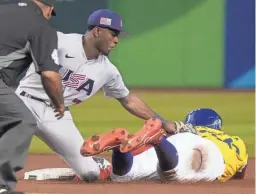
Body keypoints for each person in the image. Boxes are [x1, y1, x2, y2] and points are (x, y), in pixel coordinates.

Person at [15, 9, 190, 183]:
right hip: (24, 102)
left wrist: (164, 123)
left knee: (91, 174)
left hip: (57, 116)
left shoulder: (107, 71)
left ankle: (95, 164)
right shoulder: (61, 42)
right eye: (113, 34)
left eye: (118, 36)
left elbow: (129, 100)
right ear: (97, 31)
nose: (116, 40)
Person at [0, 0, 65, 193]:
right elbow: (50, 75)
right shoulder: (41, 27)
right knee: (21, 120)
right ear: (49, 9)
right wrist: (58, 103)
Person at [81, 108, 248, 183]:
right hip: (213, 155)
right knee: (174, 176)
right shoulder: (234, 141)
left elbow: (142, 149)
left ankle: (119, 150)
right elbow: (240, 175)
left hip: (176, 141)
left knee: (122, 177)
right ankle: (157, 140)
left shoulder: (188, 130)